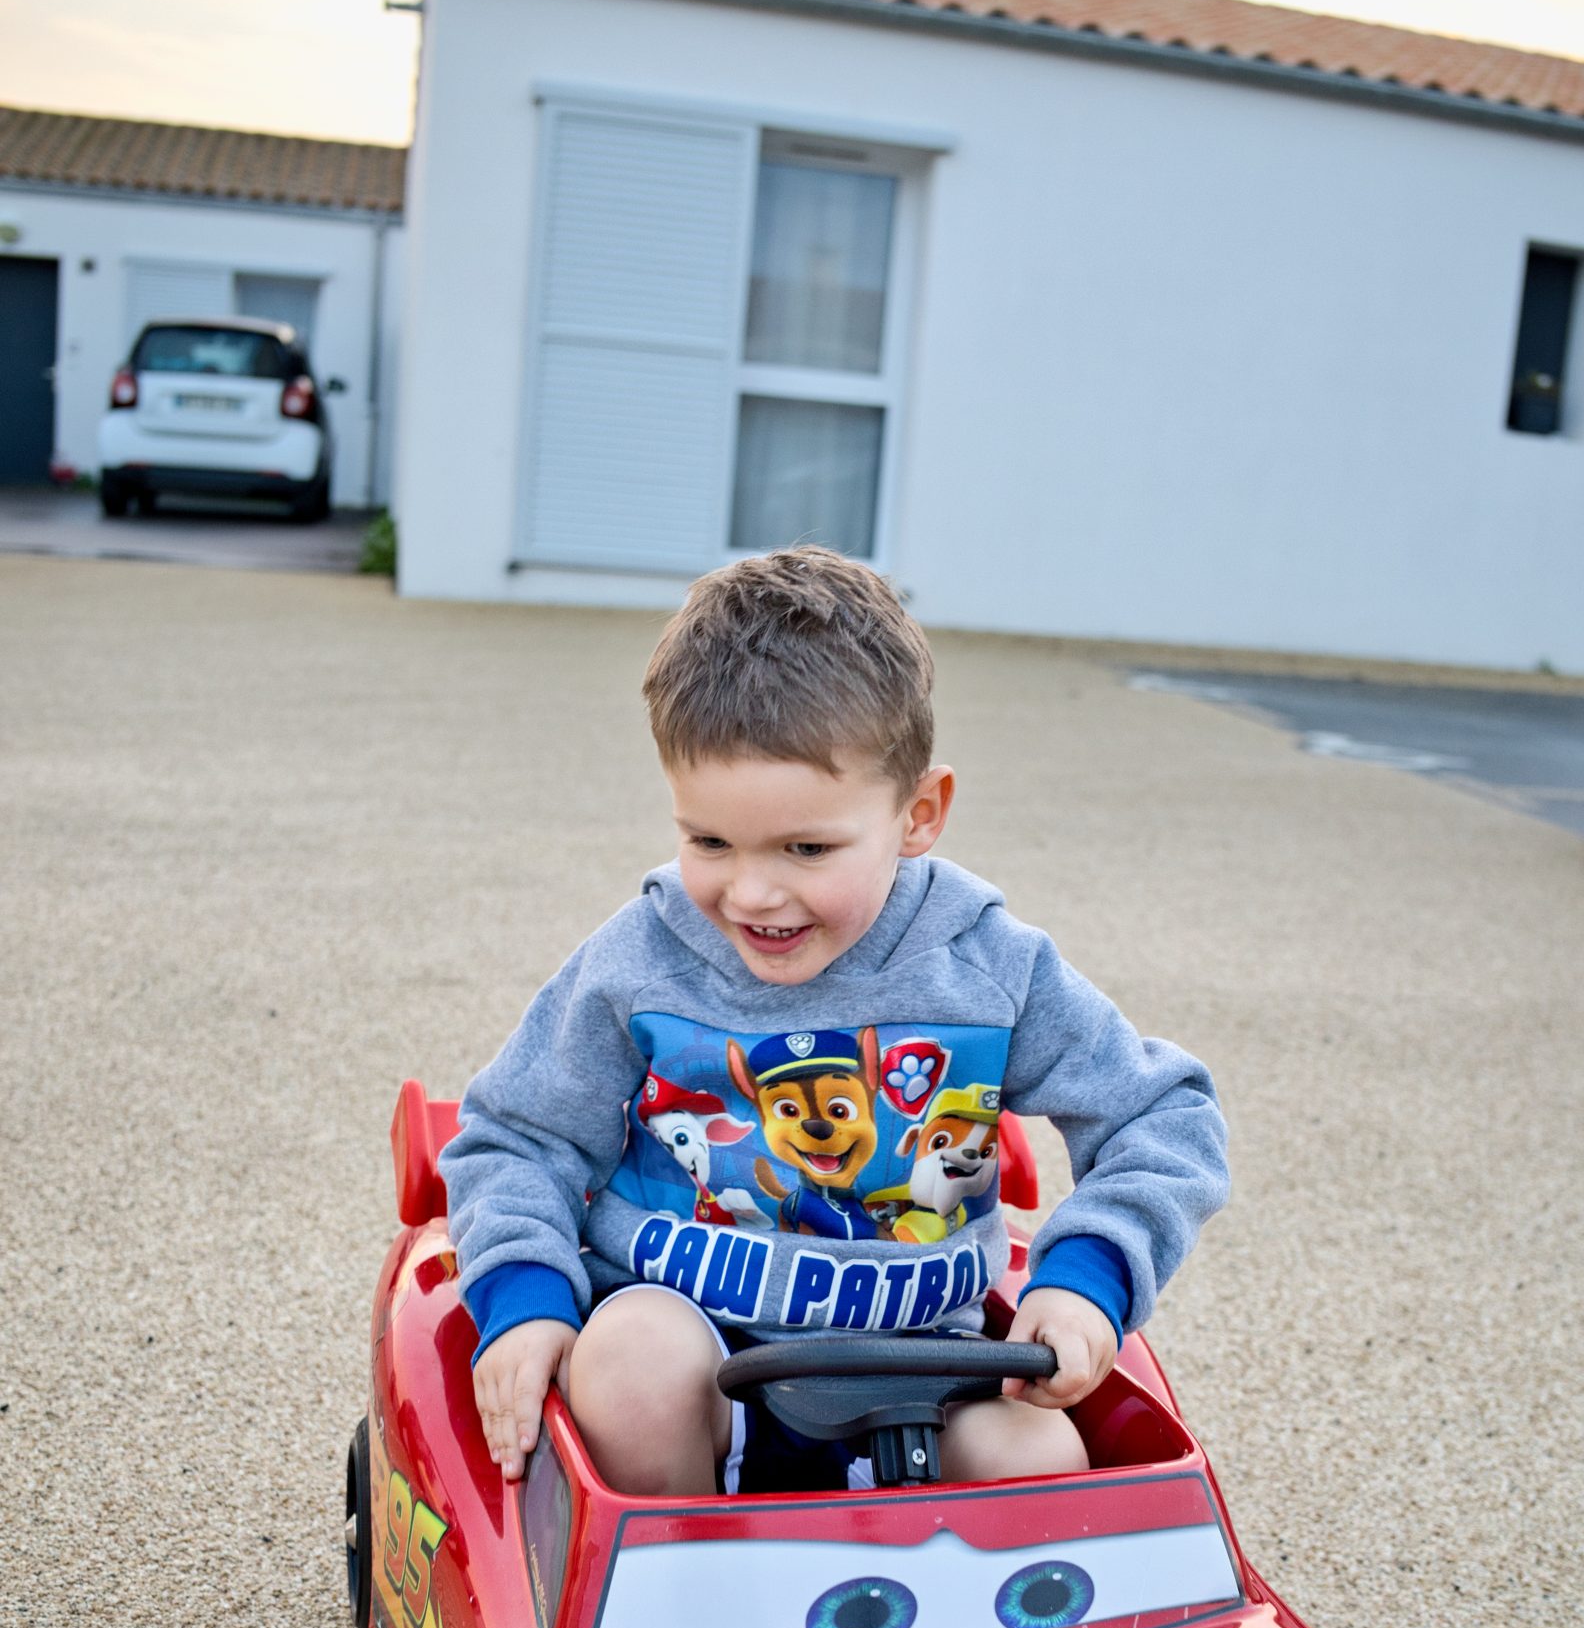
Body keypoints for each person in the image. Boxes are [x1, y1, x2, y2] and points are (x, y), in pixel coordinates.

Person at [442, 546, 1228, 1497]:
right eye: (708, 840)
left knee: (1039, 1457)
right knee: (632, 1361)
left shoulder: (986, 967)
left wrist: (1088, 1278)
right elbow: (515, 1135)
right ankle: (678, 1605)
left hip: (921, 1368)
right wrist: (524, 1303)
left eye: (807, 847)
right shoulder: (639, 960)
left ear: (919, 814)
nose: (753, 891)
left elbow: (1164, 1116)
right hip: (689, 1347)